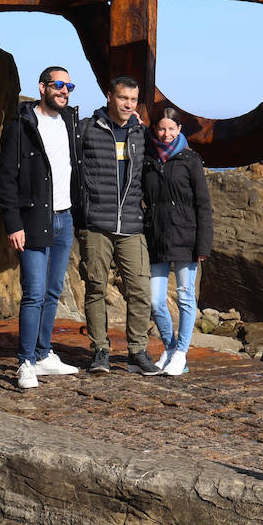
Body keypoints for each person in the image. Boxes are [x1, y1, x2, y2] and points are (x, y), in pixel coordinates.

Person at [0, 66, 83, 389]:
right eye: (58, 85)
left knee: (52, 291)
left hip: (65, 218)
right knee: (33, 293)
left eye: (69, 86)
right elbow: (5, 180)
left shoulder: (70, 123)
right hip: (33, 220)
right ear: (42, 87)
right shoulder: (21, 126)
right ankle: (26, 362)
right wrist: (13, 224)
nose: (64, 91)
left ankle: (44, 354)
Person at [76, 76, 158, 375]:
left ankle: (137, 351)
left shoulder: (141, 133)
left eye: (133, 100)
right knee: (95, 288)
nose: (128, 104)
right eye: (123, 98)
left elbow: (167, 151)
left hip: (132, 227)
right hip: (97, 223)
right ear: (109, 96)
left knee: (140, 290)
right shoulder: (87, 128)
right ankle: (100, 351)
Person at [142, 108, 212, 377]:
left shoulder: (190, 160)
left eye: (172, 129)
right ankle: (171, 349)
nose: (166, 134)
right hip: (156, 235)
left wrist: (203, 245)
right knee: (155, 300)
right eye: (161, 129)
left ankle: (181, 352)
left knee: (185, 297)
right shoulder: (148, 158)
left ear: (179, 130)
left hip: (186, 236)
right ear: (155, 130)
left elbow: (203, 204)